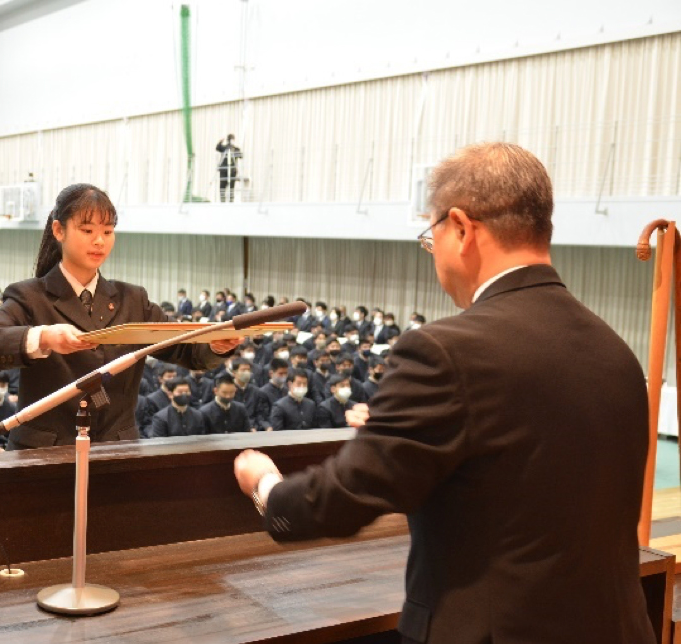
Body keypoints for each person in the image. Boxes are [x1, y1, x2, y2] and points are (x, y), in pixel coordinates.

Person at [233, 142, 654, 644]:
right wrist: (406, 428)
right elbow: (533, 473)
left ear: (460, 228)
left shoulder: (445, 351)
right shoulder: (615, 350)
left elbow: (342, 501)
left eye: (428, 237)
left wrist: (266, 486)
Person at [0, 183, 236, 449]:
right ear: (59, 230)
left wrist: (215, 345)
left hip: (116, 452)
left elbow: (185, 349)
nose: (99, 240)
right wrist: (42, 337)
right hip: (44, 454)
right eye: (87, 229)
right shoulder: (31, 297)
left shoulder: (133, 300)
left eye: (108, 230)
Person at [216, 134, 242, 203]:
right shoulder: (224, 148)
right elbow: (218, 148)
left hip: (232, 170)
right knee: (223, 186)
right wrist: (220, 142)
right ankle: (223, 200)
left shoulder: (236, 149)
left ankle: (231, 200)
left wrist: (234, 150)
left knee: (231, 187)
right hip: (224, 170)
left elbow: (241, 156)